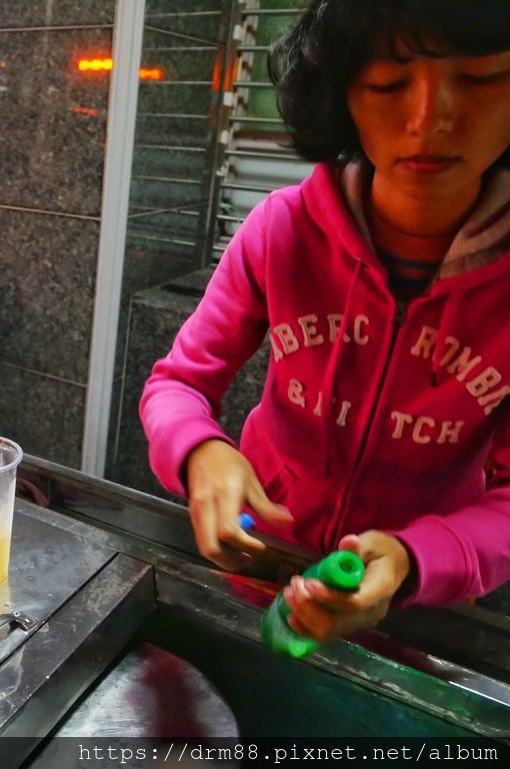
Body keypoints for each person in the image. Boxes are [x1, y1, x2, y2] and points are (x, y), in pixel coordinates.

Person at [140, 0, 510, 645]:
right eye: (389, 84)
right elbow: (178, 385)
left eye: (480, 78)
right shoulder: (282, 229)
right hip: (259, 563)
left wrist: (418, 557)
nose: (430, 119)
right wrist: (201, 450)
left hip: (420, 598)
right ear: (344, 96)